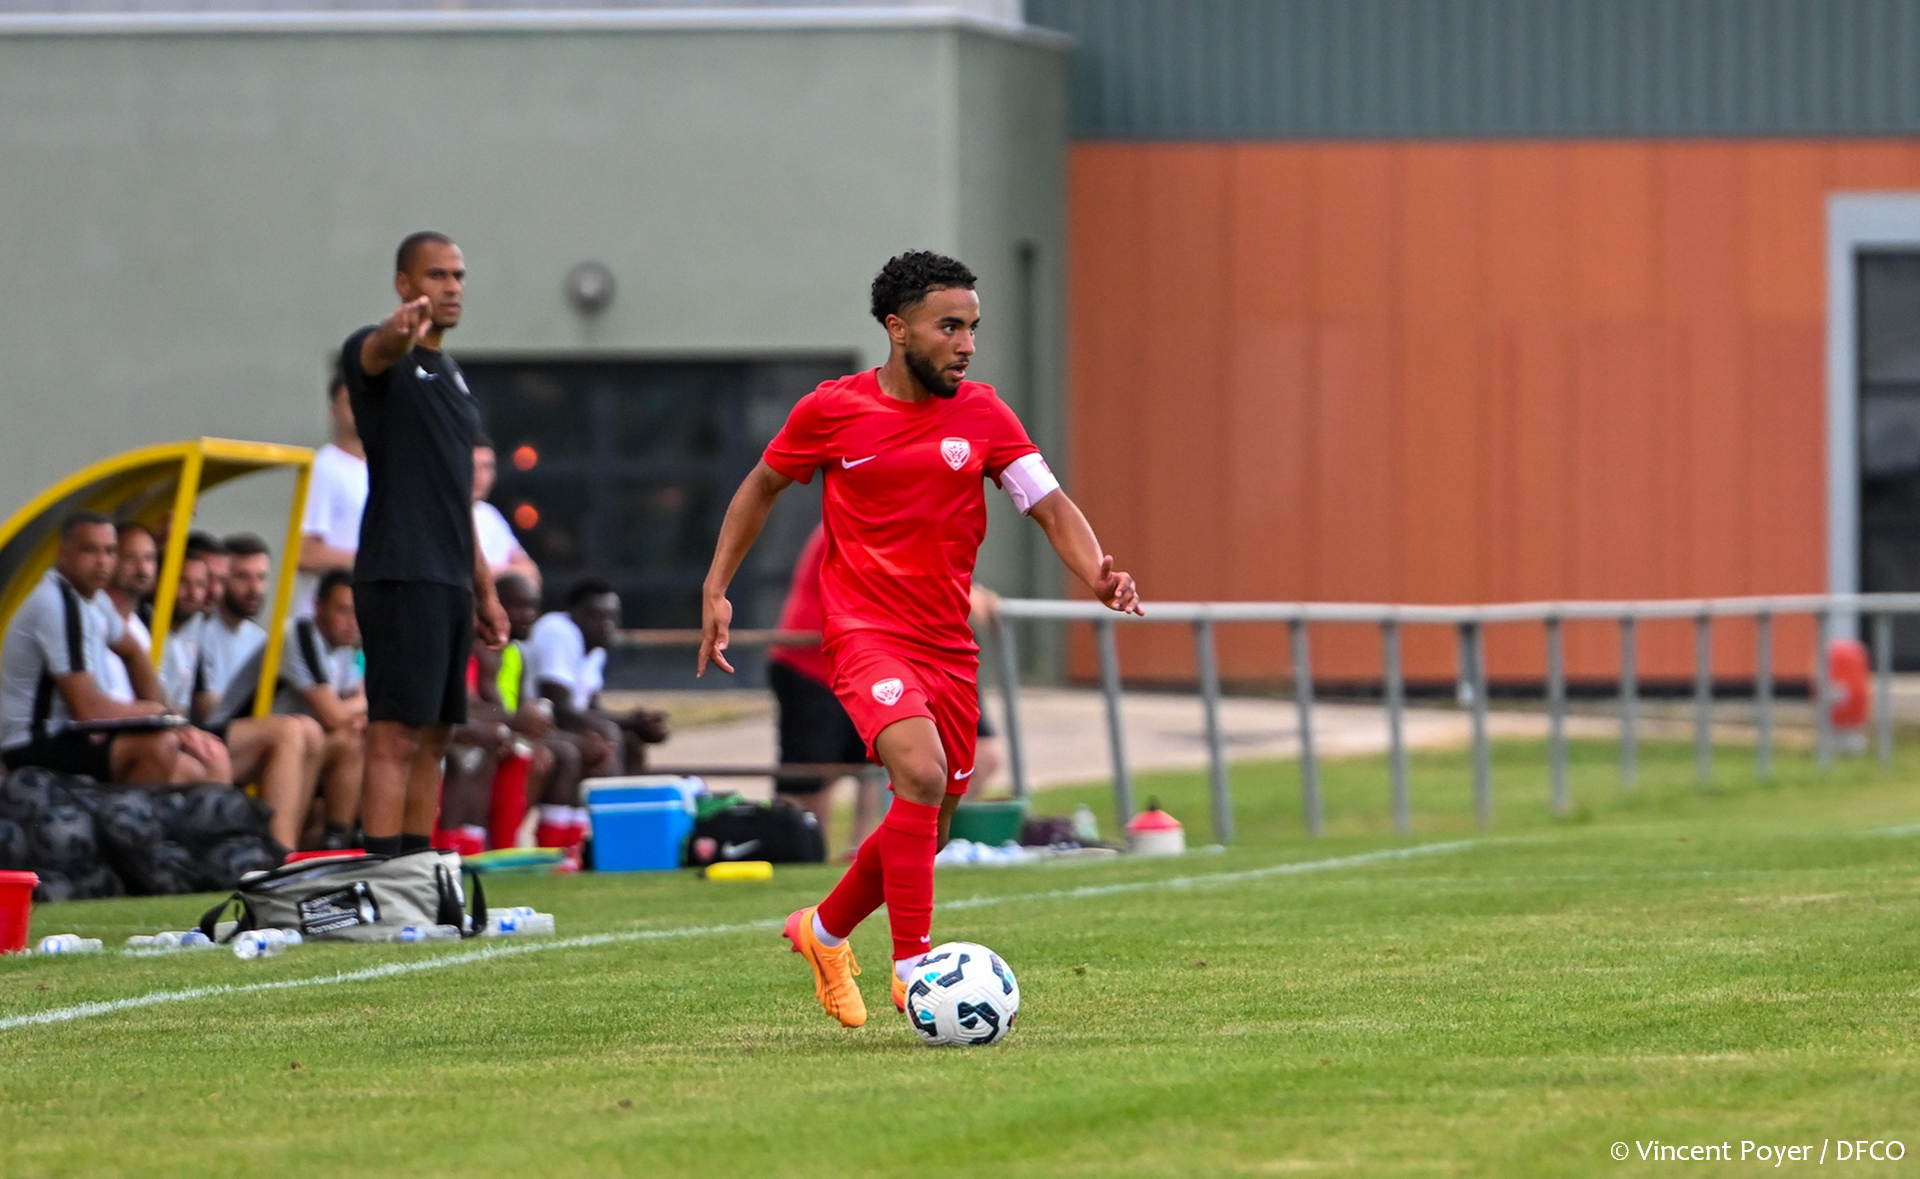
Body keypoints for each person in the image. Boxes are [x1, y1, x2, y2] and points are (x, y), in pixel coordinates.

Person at [698, 251, 1142, 1029]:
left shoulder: (986, 415)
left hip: (948, 645)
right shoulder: (831, 410)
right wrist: (717, 585)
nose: (966, 344)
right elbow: (760, 487)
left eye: (972, 327)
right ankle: (914, 969)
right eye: (949, 327)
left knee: (929, 822)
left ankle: (823, 930)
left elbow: (1049, 504)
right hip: (864, 630)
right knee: (922, 772)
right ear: (897, 329)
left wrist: (1096, 572)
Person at [339, 230, 508, 860]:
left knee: (436, 736)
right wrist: (397, 332)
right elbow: (378, 350)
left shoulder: (452, 375)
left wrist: (485, 591)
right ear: (404, 284)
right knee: (395, 734)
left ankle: (417, 872)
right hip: (399, 571)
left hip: (449, 580)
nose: (452, 287)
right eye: (437, 275)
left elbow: (456, 498)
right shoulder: (378, 353)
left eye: (458, 276)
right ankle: (385, 878)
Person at [770, 524, 1005, 849]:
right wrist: (964, 594)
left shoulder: (926, 521)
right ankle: (801, 853)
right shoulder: (858, 520)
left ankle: (868, 852)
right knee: (812, 780)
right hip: (816, 663)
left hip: (877, 661)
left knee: (880, 765)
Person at [1, 514, 208, 783]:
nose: (102, 561)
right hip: (30, 744)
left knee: (199, 767)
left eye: (110, 551)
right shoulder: (58, 603)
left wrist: (169, 718)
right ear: (63, 553)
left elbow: (133, 653)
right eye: (90, 550)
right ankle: (123, 811)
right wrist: (159, 715)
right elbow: (87, 709)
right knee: (158, 746)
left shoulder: (95, 598)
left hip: (71, 734)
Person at [212, 570, 367, 849]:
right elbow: (334, 715)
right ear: (318, 606)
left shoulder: (344, 648)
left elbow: (351, 717)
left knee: (349, 740)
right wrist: (368, 698)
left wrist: (358, 707)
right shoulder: (299, 632)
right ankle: (282, 849)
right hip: (232, 737)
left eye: (358, 613)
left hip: (295, 742)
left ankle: (337, 841)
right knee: (301, 731)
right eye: (343, 610)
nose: (352, 622)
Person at [194, 533, 326, 851]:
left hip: (241, 733)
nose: (254, 588)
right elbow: (206, 707)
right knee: (289, 731)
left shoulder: (258, 637)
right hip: (211, 734)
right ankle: (278, 852)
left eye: (261, 577)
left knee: (311, 731)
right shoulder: (202, 629)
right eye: (242, 577)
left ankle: (298, 844)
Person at [101, 522, 231, 781]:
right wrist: (172, 723)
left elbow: (156, 695)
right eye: (131, 558)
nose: (142, 569)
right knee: (197, 766)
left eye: (149, 559)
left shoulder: (138, 628)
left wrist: (181, 726)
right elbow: (94, 705)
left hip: (143, 729)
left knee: (213, 754)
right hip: (104, 736)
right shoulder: (97, 615)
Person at [469, 572, 581, 849]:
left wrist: (531, 725)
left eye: (533, 606)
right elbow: (471, 707)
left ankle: (562, 847)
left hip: (505, 729)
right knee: (527, 753)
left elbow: (515, 708)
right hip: (483, 732)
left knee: (572, 751)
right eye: (518, 606)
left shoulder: (515, 651)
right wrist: (516, 724)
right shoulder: (477, 648)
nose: (528, 615)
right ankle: (496, 843)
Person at [295, 367, 369, 612]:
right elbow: (304, 553)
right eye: (350, 400)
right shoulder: (323, 467)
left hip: (363, 616)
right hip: (323, 619)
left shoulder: (381, 470)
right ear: (334, 410)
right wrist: (375, 561)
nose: (359, 407)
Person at [472, 435, 541, 589]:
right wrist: (510, 572)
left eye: (487, 467)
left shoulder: (489, 514)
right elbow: (467, 575)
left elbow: (532, 572)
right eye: (472, 467)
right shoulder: (443, 514)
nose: (479, 475)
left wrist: (492, 573)